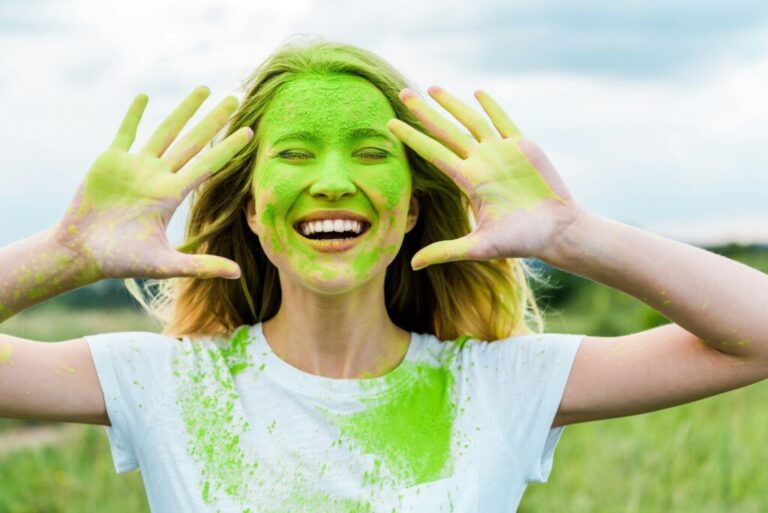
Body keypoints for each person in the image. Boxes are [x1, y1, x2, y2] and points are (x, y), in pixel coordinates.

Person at [1, 36, 767, 513]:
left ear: (408, 211)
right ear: (255, 213)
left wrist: (576, 233)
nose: (333, 180)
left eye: (369, 153)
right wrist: (62, 255)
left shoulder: (495, 384)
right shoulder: (167, 380)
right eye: (297, 154)